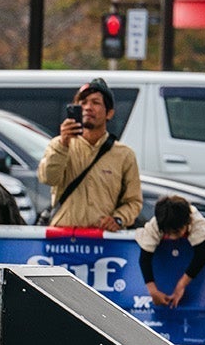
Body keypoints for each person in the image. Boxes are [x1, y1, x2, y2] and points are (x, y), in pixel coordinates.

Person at [38, 78, 142, 232]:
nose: (88, 107)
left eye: (96, 103)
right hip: (63, 240)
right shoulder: (59, 145)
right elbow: (48, 178)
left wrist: (118, 219)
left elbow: (134, 201)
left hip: (103, 243)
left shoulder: (124, 155)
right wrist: (63, 145)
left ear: (110, 113)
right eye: (83, 102)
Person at [137, 195, 205, 309]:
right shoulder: (155, 224)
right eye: (168, 233)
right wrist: (153, 291)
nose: (172, 238)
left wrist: (181, 285)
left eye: (176, 232)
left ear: (187, 222)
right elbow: (144, 258)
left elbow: (201, 256)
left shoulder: (197, 221)